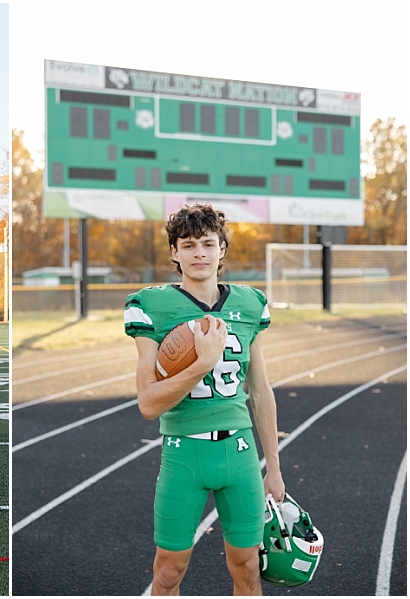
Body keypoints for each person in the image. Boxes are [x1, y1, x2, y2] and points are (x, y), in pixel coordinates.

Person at [124, 204, 285, 595]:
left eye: (208, 244)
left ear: (222, 250)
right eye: (189, 245)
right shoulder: (152, 306)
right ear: (174, 253)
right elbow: (148, 404)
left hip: (240, 452)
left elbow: (260, 391)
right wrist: (201, 363)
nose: (200, 253)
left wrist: (274, 468)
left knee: (247, 567)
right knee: (168, 572)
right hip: (185, 453)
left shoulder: (248, 305)